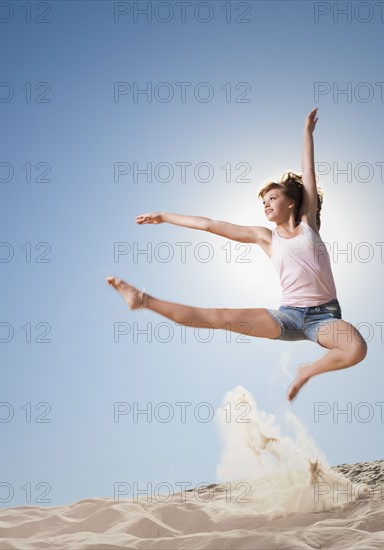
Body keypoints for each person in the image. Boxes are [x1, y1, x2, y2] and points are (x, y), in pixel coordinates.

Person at [107, 108, 367, 401]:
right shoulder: (264, 237)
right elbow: (210, 225)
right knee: (218, 316)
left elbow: (308, 170)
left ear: (292, 203)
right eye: (264, 201)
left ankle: (307, 370)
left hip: (324, 317)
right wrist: (165, 216)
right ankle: (142, 300)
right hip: (289, 316)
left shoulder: (309, 224)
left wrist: (306, 131)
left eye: (273, 198)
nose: (267, 205)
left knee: (356, 348)